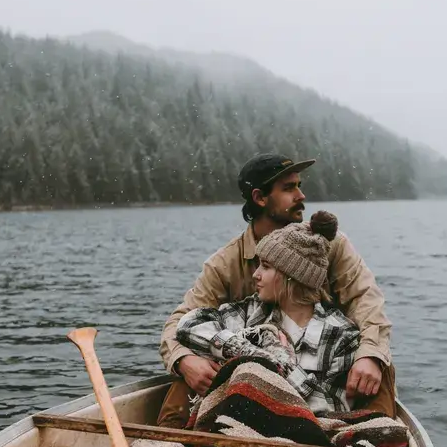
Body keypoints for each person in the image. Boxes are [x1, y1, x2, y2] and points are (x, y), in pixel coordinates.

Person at [168, 211, 382, 447]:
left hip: (299, 436)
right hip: (244, 429)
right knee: (246, 377)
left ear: (291, 276)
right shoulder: (248, 314)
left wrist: (272, 367)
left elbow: (323, 407)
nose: (255, 274)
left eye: (266, 267)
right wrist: (239, 346)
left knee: (260, 381)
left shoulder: (340, 335)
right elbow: (188, 325)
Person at [158, 153, 396, 429]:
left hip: (327, 364)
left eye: (298, 185)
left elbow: (367, 302)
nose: (302, 195)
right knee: (193, 361)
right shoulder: (225, 263)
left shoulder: (332, 245)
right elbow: (179, 322)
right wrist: (185, 361)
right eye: (289, 188)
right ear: (260, 198)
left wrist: (369, 356)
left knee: (379, 362)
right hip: (250, 372)